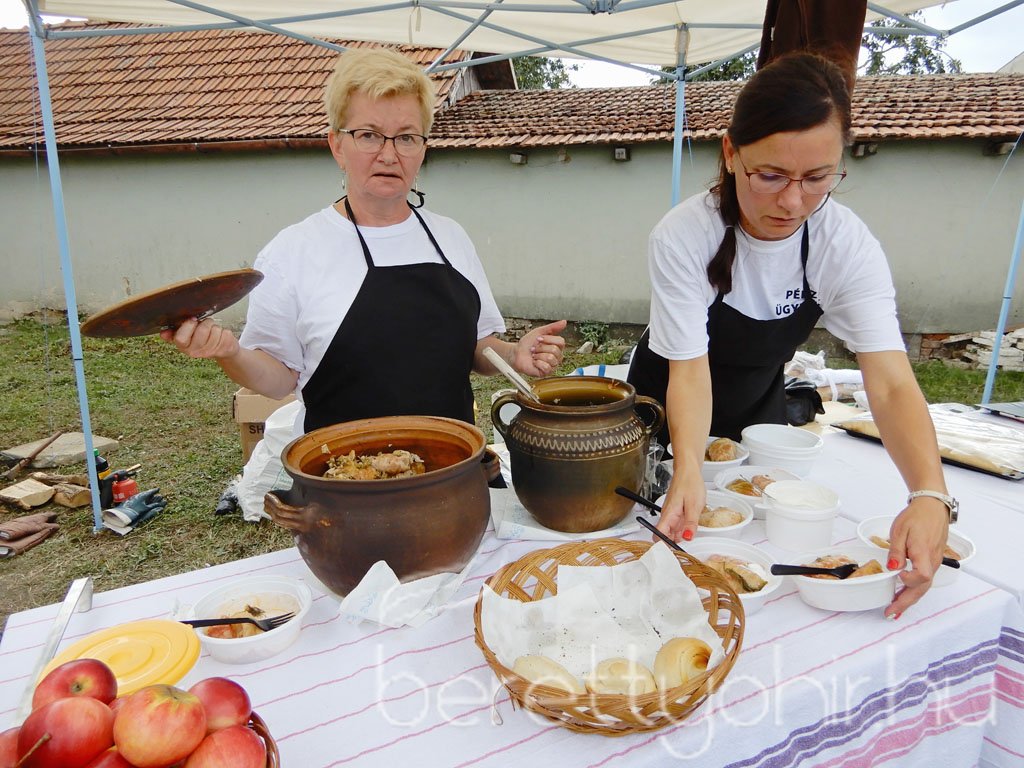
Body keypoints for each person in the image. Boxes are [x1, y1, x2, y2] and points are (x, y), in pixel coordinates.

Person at [627, 52, 952, 619]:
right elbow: (690, 369)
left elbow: (893, 382)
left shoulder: (841, 242)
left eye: (818, 178)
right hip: (667, 407)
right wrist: (687, 468)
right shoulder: (684, 235)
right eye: (770, 175)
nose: (792, 201)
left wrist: (929, 494)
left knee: (765, 550)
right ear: (731, 153)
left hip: (759, 408)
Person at [163, 48, 565, 434]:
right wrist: (229, 352)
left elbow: (479, 346)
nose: (390, 155)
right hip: (341, 482)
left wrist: (513, 354)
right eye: (369, 135)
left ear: (423, 149)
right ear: (337, 145)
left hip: (451, 475)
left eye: (407, 137)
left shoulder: (450, 237)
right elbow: (278, 380)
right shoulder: (293, 251)